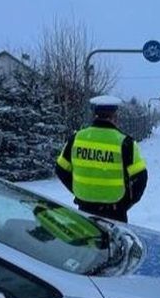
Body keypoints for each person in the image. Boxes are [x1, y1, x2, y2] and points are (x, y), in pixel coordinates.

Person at [55, 95, 148, 223]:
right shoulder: (125, 142)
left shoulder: (77, 138)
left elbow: (61, 169)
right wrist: (126, 202)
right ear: (115, 116)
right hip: (115, 213)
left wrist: (78, 190)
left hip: (84, 210)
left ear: (95, 115)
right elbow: (140, 178)